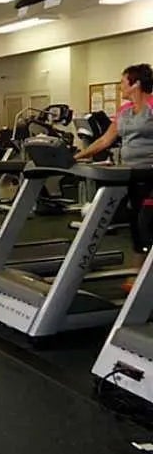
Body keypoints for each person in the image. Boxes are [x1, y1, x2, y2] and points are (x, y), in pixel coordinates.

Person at [74, 63, 153, 290]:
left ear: (136, 83)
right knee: (136, 223)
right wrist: (76, 157)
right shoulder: (124, 111)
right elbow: (104, 141)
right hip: (131, 174)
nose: (120, 86)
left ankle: (141, 276)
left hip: (151, 174)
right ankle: (137, 274)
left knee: (146, 222)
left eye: (123, 82)